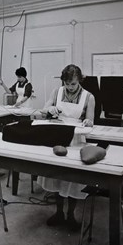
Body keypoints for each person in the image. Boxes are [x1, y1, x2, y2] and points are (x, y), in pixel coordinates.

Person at [37, 64, 95, 231]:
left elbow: (90, 121)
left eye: (73, 84)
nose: (69, 88)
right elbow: (43, 109)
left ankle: (71, 215)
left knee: (72, 179)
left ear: (79, 81)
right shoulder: (57, 92)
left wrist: (88, 121)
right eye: (67, 84)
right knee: (57, 176)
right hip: (58, 137)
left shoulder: (88, 97)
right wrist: (50, 108)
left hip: (76, 140)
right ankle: (59, 212)